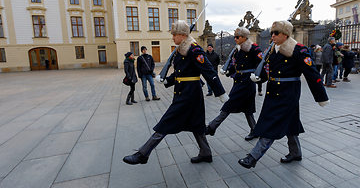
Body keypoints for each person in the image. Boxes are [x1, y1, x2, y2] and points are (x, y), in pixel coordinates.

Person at [123, 20, 229, 165]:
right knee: (196, 124)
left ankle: (143, 153)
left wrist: (220, 92)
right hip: (184, 91)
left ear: (182, 35)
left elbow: (209, 71)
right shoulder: (181, 49)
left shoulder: (194, 49)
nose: (172, 37)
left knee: (167, 121)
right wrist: (167, 80)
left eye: (174, 34)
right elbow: (181, 72)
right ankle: (206, 153)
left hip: (189, 94)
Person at [238, 20, 329, 169]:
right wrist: (260, 77)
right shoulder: (273, 50)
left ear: (285, 35)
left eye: (276, 33)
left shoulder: (298, 50)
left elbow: (312, 73)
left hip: (288, 93)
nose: (272, 36)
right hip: (273, 91)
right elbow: (269, 71)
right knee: (290, 122)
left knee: (272, 124)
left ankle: (252, 157)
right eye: (272, 33)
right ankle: (295, 152)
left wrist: (321, 96)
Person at [205, 27, 262, 141]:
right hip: (239, 80)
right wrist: (228, 71)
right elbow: (235, 64)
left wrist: (257, 75)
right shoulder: (238, 49)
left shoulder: (253, 48)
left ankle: (212, 126)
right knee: (248, 108)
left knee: (229, 103)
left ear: (244, 37)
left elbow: (263, 62)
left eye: (237, 37)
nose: (235, 39)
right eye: (234, 37)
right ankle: (254, 130)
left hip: (247, 82)